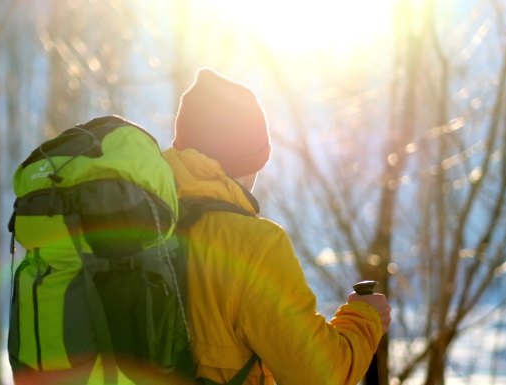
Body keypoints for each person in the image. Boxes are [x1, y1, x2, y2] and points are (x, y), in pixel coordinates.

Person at [162, 68, 392, 385]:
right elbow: (318, 375)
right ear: (250, 161)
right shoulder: (255, 244)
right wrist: (365, 320)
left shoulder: (145, 221)